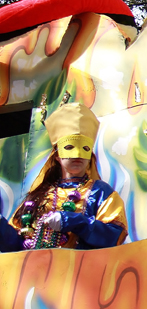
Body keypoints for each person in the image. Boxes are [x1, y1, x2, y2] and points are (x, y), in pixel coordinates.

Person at [0, 102, 128, 251]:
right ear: (57, 156)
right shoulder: (37, 197)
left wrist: (75, 222)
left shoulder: (100, 192)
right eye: (69, 147)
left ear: (90, 156)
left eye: (84, 149)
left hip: (81, 270)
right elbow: (15, 246)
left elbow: (114, 236)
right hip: (36, 271)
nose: (77, 155)